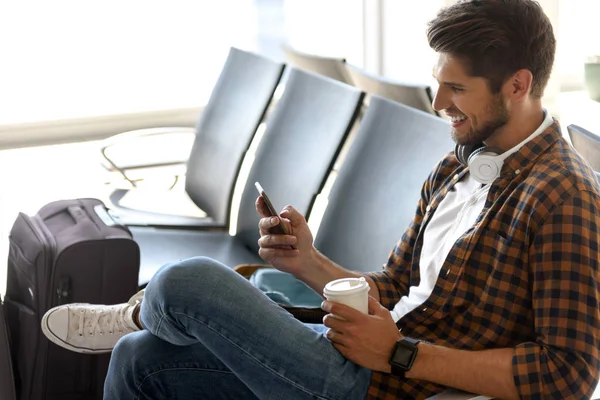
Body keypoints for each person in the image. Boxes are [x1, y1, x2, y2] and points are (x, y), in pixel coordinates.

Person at [40, 0, 600, 398]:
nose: (438, 104)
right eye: (437, 84)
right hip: (360, 357)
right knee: (139, 360)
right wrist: (309, 264)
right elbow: (396, 285)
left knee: (187, 282)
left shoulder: (564, 198)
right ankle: (143, 323)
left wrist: (400, 354)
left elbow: (567, 374)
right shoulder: (458, 166)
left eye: (456, 88)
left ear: (518, 85)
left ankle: (139, 311)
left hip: (394, 382)